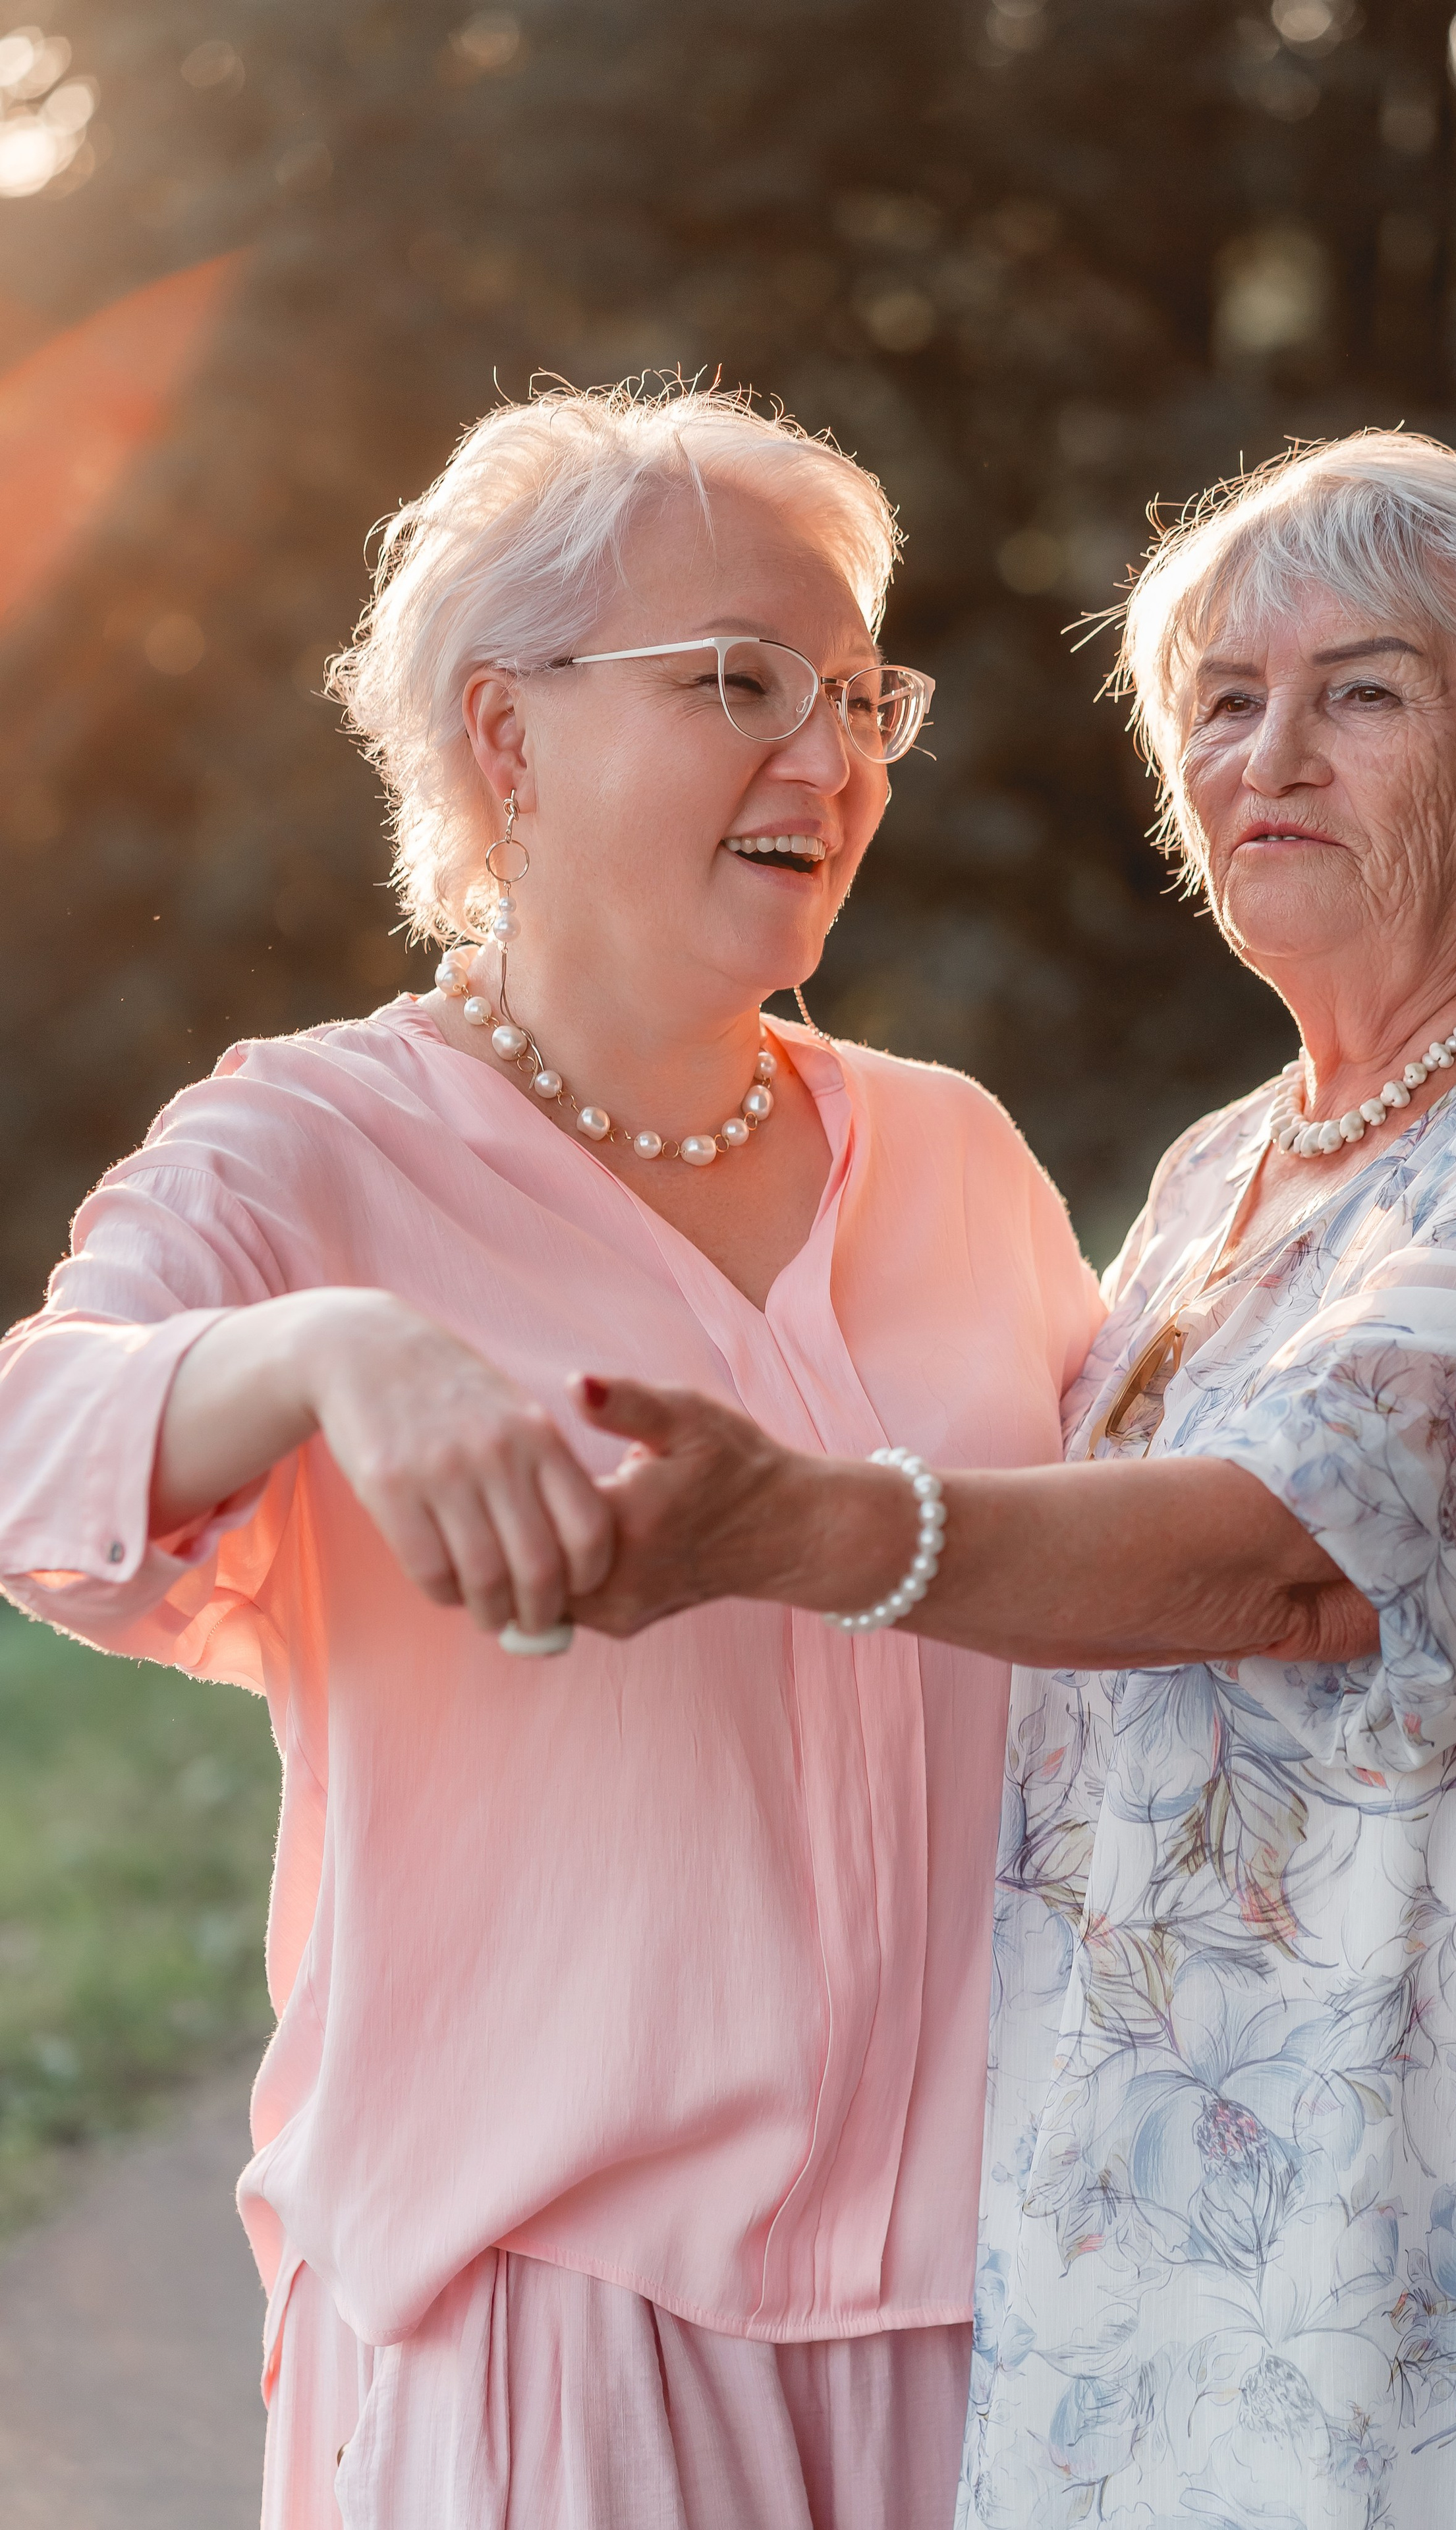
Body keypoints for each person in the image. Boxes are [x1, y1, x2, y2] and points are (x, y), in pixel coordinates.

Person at [0, 381, 1107, 2529]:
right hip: (545, 2339)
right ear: (507, 740)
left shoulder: (963, 1154)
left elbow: (1133, 1608)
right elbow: (31, 1444)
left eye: (863, 692)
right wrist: (330, 1349)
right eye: (740, 685)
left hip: (1012, 2328)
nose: (834, 757)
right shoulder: (311, 1141)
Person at [559, 434, 1456, 2527]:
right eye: (1223, 705)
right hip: (1159, 2238)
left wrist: (805, 1524)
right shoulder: (1218, 1169)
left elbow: (1287, 1558)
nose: (1271, 753)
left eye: (1363, 690)